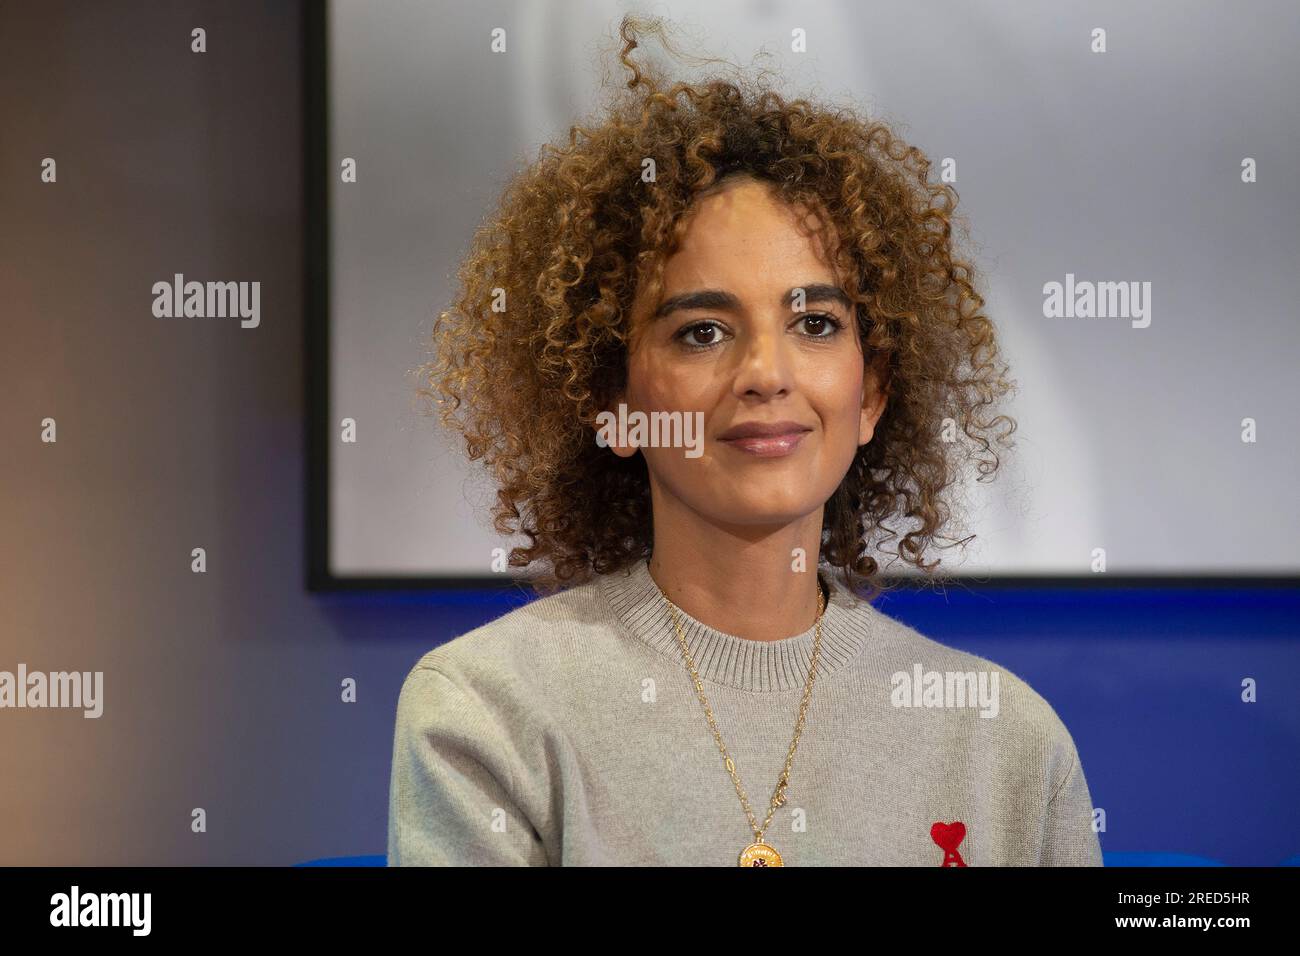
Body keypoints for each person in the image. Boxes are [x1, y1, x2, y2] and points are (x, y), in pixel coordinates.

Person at [388, 15, 1102, 866]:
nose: (767, 372)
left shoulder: (1009, 744)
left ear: (871, 392)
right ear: (610, 398)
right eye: (701, 332)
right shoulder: (484, 711)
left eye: (815, 321)